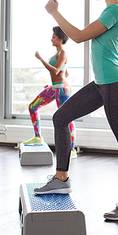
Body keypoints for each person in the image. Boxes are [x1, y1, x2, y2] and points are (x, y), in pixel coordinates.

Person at [35, 0, 118, 221]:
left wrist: (54, 12)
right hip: (103, 83)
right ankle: (61, 177)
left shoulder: (114, 10)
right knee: (61, 118)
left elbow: (80, 36)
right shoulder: (117, 12)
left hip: (115, 85)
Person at [22, 26, 77, 158]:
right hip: (56, 87)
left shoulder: (63, 53)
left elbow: (56, 71)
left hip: (62, 89)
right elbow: (65, 72)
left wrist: (41, 59)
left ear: (60, 39)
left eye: (53, 37)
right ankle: (38, 136)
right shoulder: (57, 54)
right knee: (32, 106)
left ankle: (72, 149)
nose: (51, 39)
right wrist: (53, 83)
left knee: (66, 117)